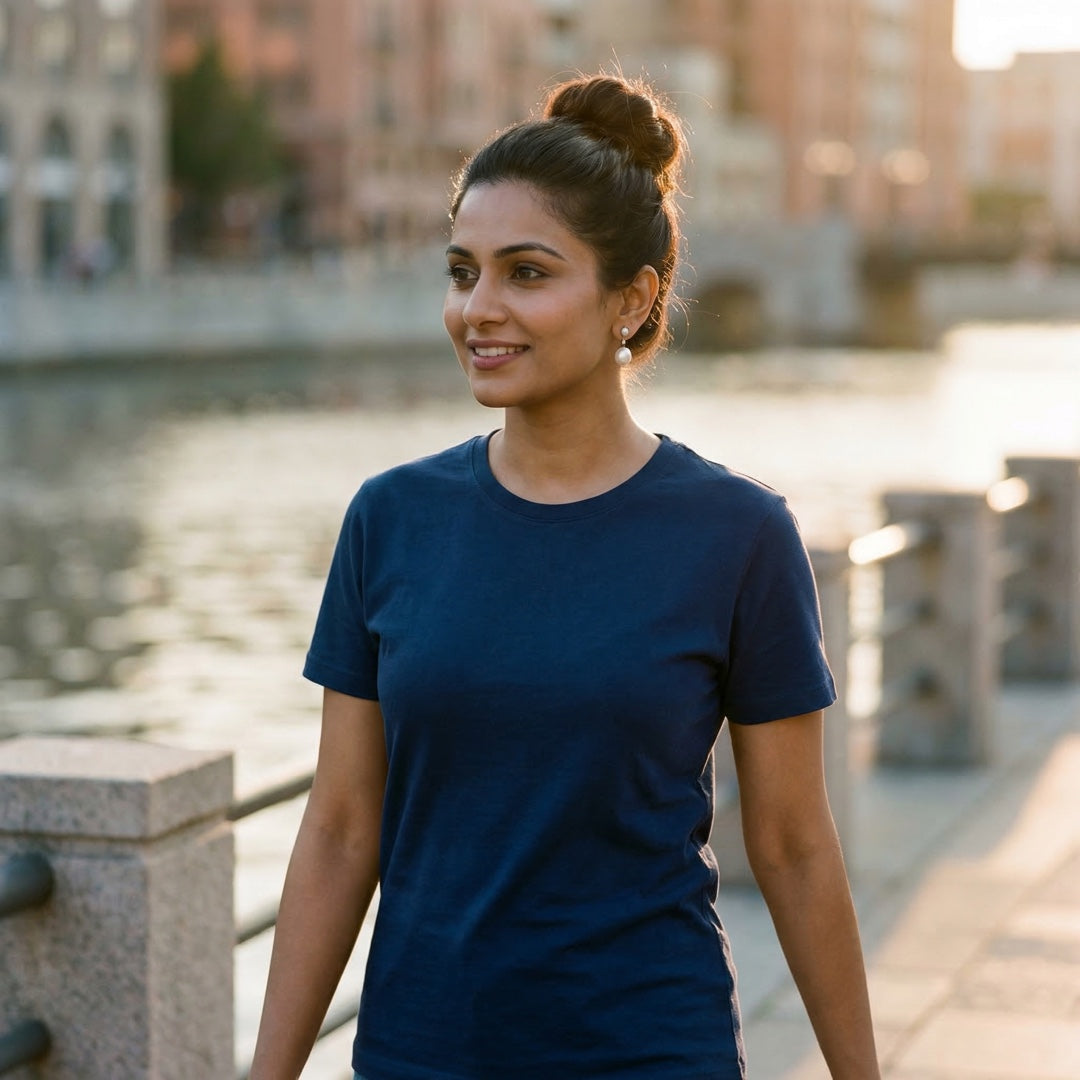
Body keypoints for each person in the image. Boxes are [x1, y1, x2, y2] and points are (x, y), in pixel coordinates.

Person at [249, 73, 880, 1080]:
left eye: (527, 274)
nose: (478, 310)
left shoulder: (738, 533)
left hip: (647, 1050)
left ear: (632, 297)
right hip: (422, 1051)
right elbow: (338, 828)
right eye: (463, 272)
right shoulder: (391, 518)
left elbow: (796, 846)